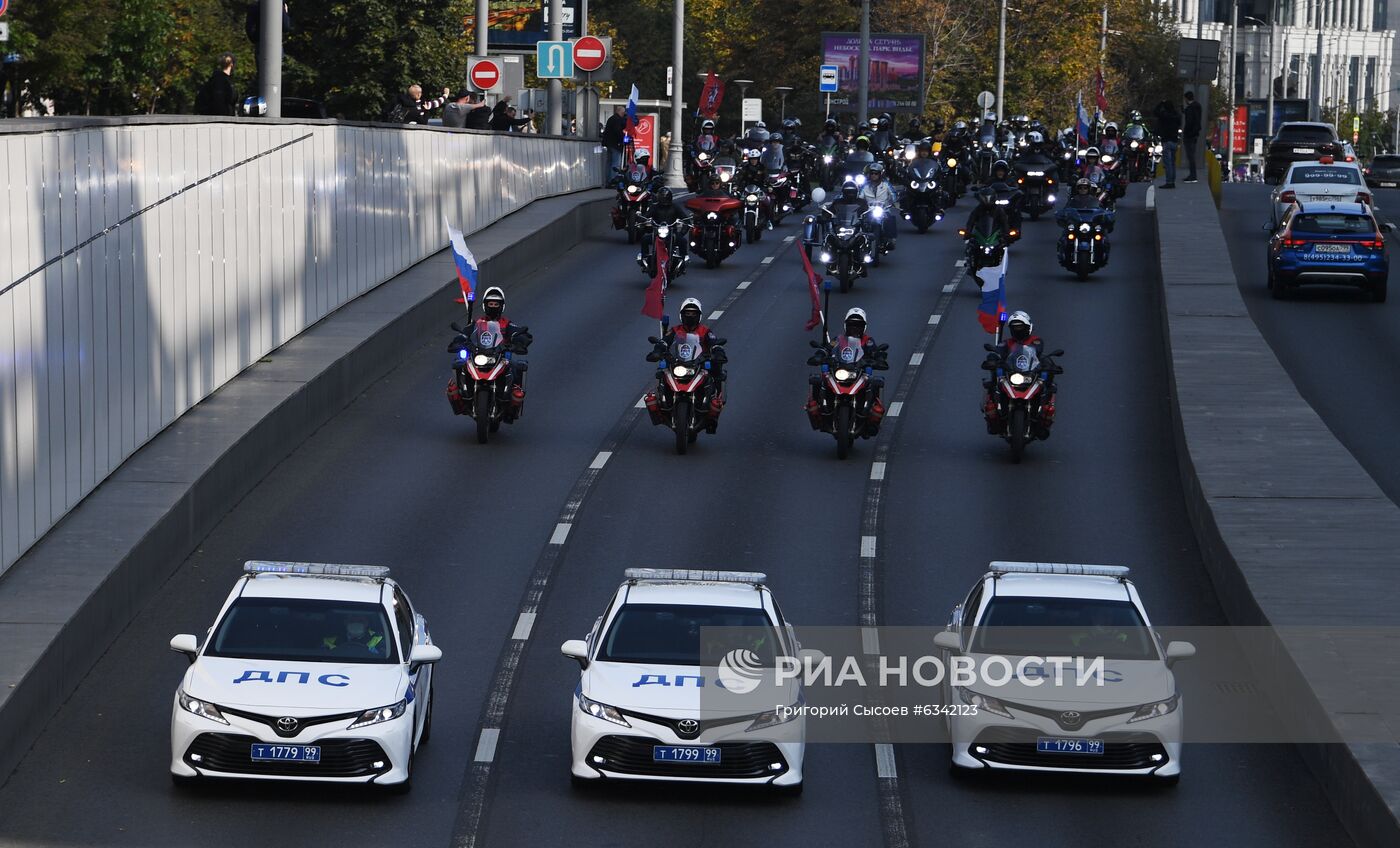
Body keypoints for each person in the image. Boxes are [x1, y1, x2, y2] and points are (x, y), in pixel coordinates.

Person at [981, 311, 1055, 433]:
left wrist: (1048, 365)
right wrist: (992, 358)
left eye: (1020, 327)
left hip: (1030, 374)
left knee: (1047, 379)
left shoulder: (1036, 341)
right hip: (1011, 374)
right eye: (1015, 327)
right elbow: (998, 351)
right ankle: (993, 408)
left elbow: (1038, 352)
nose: (1018, 330)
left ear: (1028, 327)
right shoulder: (1006, 343)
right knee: (995, 377)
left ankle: (1044, 413)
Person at [858, 162, 897, 251]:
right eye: (872, 173)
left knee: (890, 219)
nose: (874, 175)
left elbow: (893, 195)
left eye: (876, 173)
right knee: (859, 221)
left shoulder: (886, 185)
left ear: (880, 174)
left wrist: (895, 202)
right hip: (868, 210)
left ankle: (891, 239)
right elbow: (859, 197)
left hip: (883, 210)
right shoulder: (864, 186)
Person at [322, 613, 386, 656]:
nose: (356, 624)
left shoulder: (379, 638)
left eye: (360, 621)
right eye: (352, 621)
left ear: (367, 623)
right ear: (345, 622)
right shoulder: (329, 641)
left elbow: (383, 657)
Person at [1153, 98, 1181, 189]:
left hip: (1166, 141)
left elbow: (1155, 111)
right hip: (1174, 141)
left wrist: (1161, 103)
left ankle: (1169, 182)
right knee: (1172, 163)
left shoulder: (1164, 116)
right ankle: (1172, 180)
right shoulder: (1176, 116)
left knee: (1168, 163)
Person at [1181, 90, 1202, 184]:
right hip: (1195, 134)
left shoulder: (1190, 109)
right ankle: (1193, 175)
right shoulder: (1197, 107)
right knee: (1191, 155)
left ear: (1186, 98)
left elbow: (1189, 121)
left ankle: (1192, 175)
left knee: (1190, 156)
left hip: (1189, 135)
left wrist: (1187, 132)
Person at [603, 105, 628, 178]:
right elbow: (617, 131)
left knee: (609, 163)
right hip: (616, 144)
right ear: (619, 111)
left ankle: (608, 180)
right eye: (623, 112)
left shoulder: (611, 118)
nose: (623, 114)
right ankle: (613, 179)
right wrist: (623, 138)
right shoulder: (617, 119)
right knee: (615, 163)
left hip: (609, 143)